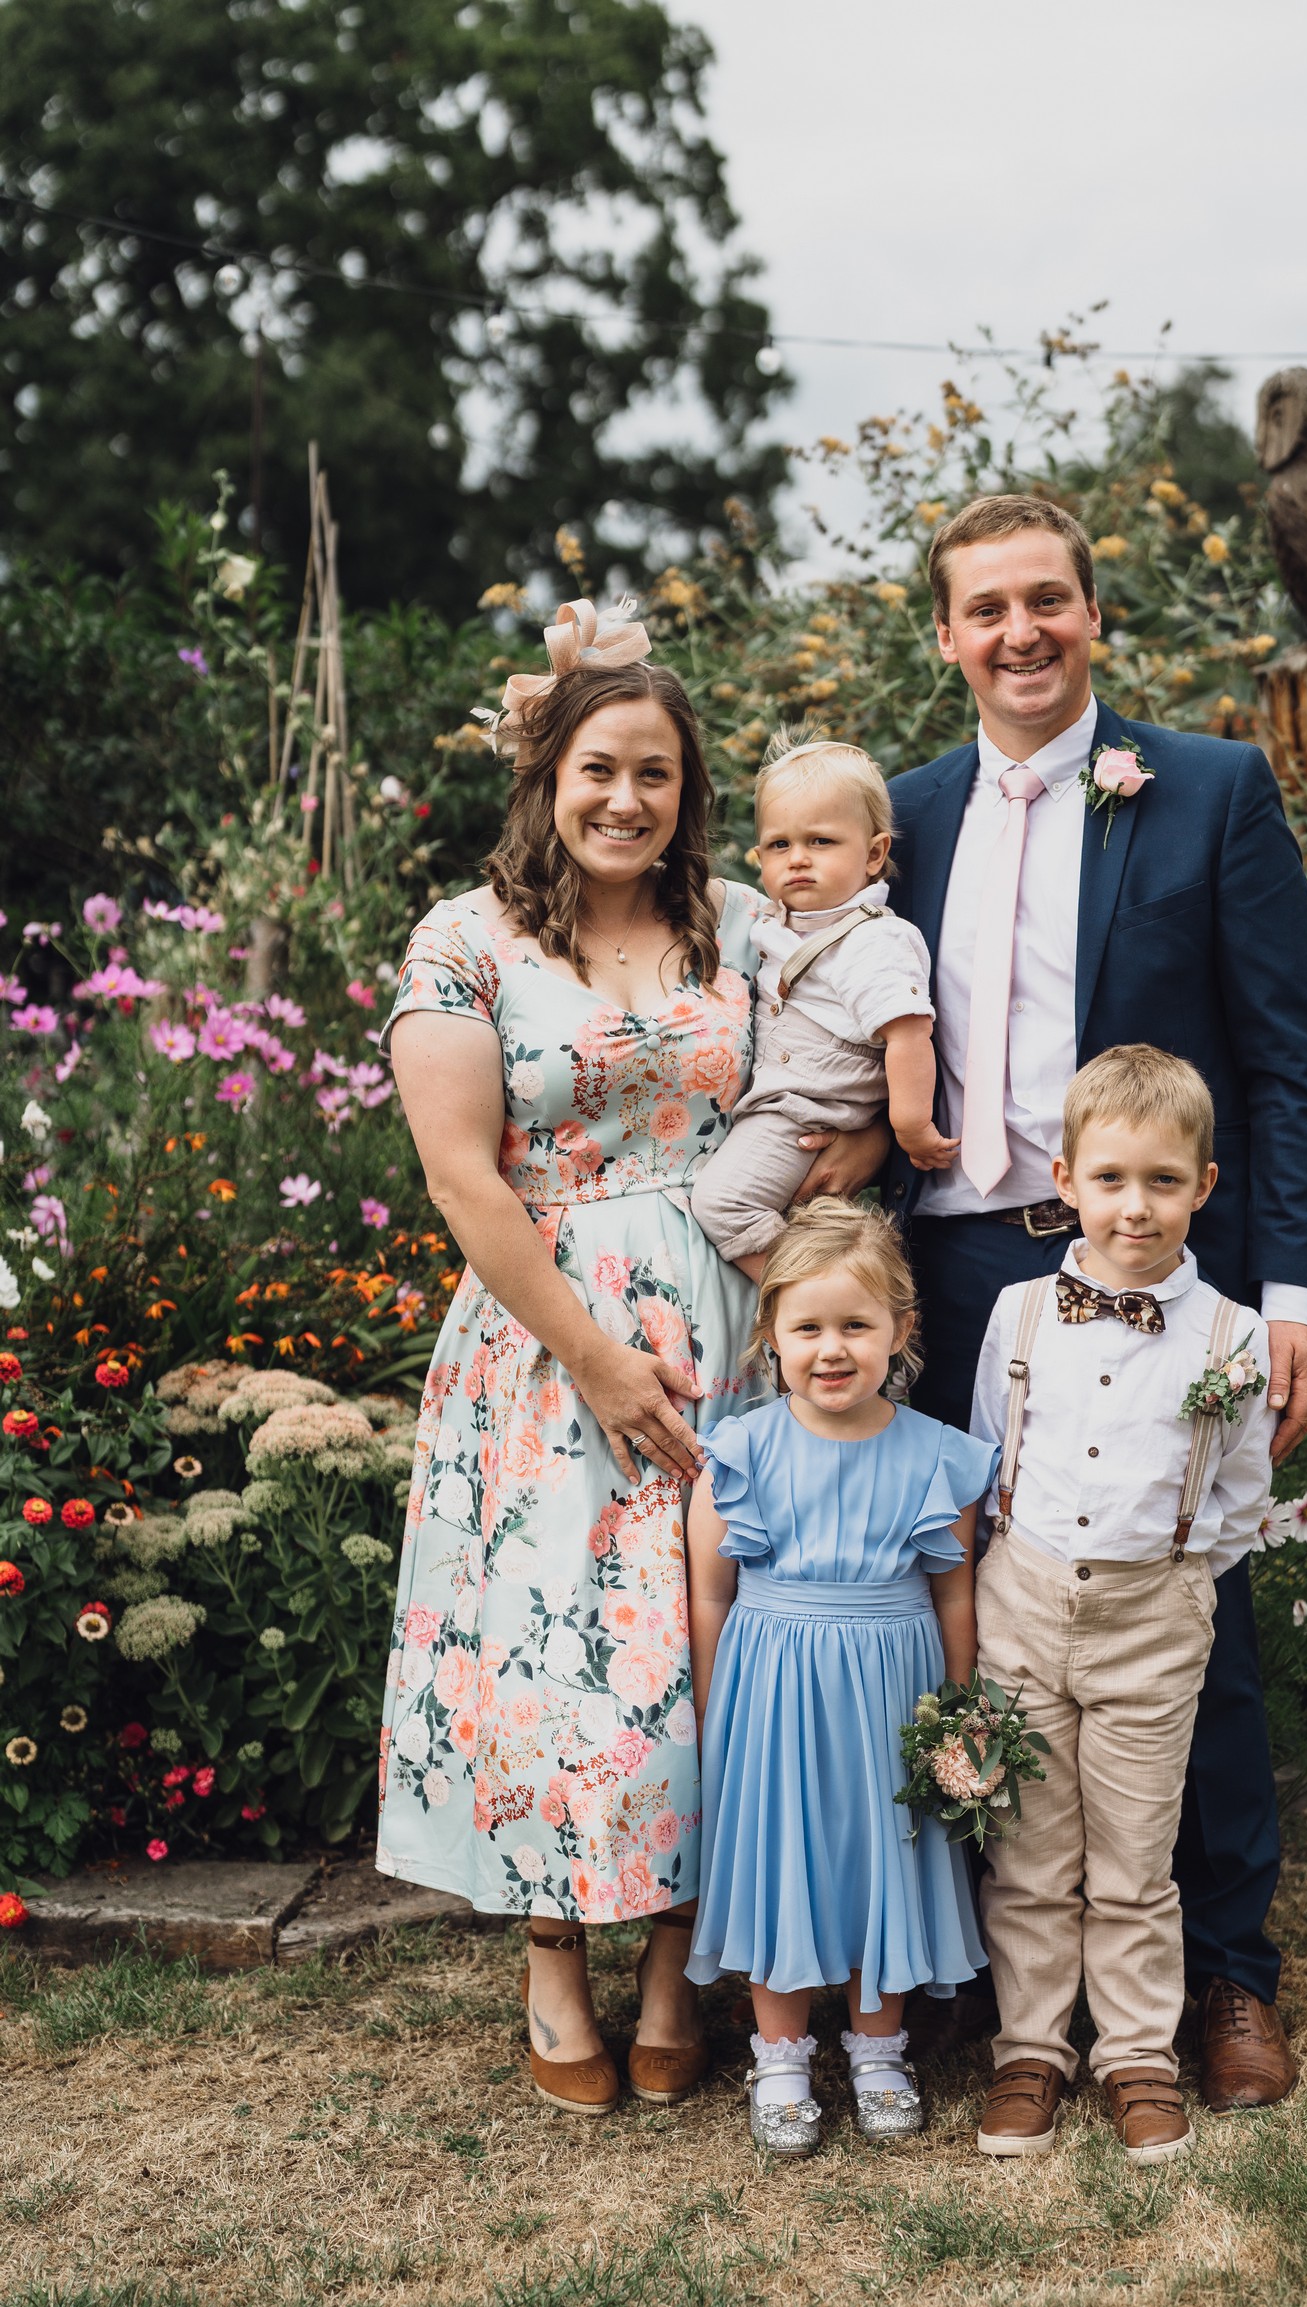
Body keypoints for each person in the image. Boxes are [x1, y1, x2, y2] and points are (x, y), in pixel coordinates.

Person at [375, 602, 882, 2121]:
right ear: (548, 774)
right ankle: (550, 1964)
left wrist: (808, 1215)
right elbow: (465, 1179)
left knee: (702, 1648)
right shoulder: (468, 940)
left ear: (688, 787)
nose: (625, 800)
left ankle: (675, 1968)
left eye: (655, 773)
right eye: (599, 767)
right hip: (551, 1339)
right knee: (557, 1657)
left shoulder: (746, 927)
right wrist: (595, 1358)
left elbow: (836, 1095)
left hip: (737, 1326)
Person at [885, 493, 1307, 2109]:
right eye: (984, 608)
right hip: (947, 1272)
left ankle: (1224, 1975)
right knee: (958, 1625)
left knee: (1182, 1617)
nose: (1019, 633)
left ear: (1093, 613)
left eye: (1046, 602)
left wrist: (1289, 1288)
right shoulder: (904, 814)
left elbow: (1286, 1059)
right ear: (943, 634)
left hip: (1156, 1255)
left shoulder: (1207, 789)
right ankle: (982, 1982)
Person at [969, 1046, 1274, 2165]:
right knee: (1030, 1852)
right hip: (1024, 1602)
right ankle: (1030, 2050)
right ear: (1063, 1179)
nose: (1132, 1207)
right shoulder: (1017, 1315)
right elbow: (988, 1451)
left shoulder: (1229, 1336)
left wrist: (1180, 1573)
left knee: (1138, 1859)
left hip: (1154, 1617)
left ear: (1202, 1185)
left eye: (1159, 1181)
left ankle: (1138, 2054)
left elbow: (1242, 1491)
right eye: (1108, 1180)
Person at [684, 1200, 994, 2155]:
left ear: (900, 1332)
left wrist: (958, 1708)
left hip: (893, 1695)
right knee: (783, 1860)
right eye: (807, 1327)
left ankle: (877, 2050)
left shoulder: (937, 1458)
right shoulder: (738, 1455)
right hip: (773, 1699)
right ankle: (779, 2056)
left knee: (883, 1859)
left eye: (856, 1326)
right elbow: (709, 1597)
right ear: (769, 1334)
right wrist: (712, 1709)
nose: (831, 1349)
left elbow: (953, 1596)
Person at [690, 730, 953, 1276]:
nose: (798, 860)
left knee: (724, 1207)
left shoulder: (872, 939)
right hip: (783, 1105)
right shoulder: (781, 923)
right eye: (780, 846)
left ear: (875, 853)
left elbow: (908, 1034)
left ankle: (816, 1295)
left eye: (822, 842)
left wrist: (908, 1128)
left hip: (805, 1112)